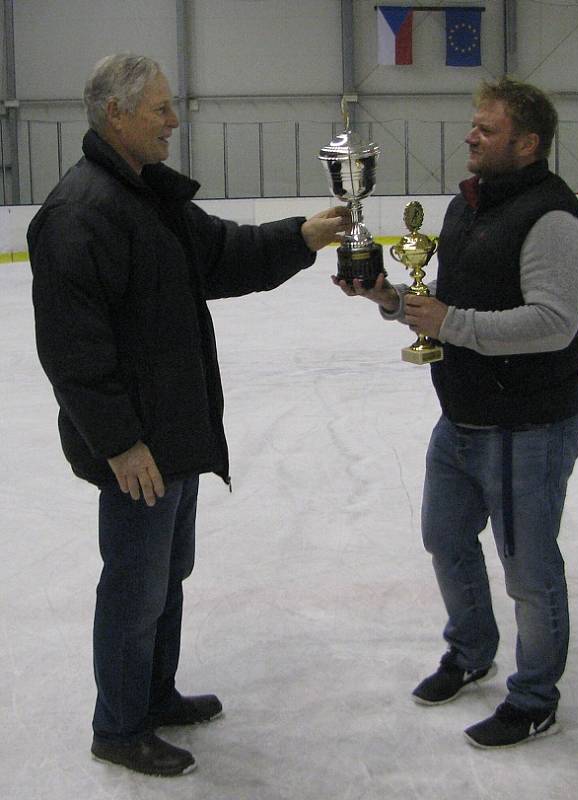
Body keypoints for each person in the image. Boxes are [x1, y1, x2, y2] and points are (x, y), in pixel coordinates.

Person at [28, 53, 349, 778]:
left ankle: (154, 693)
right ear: (117, 114)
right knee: (135, 585)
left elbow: (225, 254)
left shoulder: (149, 199)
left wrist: (304, 235)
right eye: (161, 109)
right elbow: (73, 351)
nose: (175, 121)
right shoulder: (83, 212)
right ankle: (119, 725)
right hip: (138, 447)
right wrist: (119, 443)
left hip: (174, 432)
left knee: (168, 573)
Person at [334, 77, 578, 749]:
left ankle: (535, 696)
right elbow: (446, 309)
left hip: (529, 426)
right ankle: (472, 649)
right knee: (445, 538)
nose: (471, 134)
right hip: (463, 417)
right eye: (474, 124)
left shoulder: (553, 218)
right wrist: (392, 302)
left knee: (530, 572)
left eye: (487, 127)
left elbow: (553, 323)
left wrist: (451, 321)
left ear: (528, 142)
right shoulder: (466, 208)